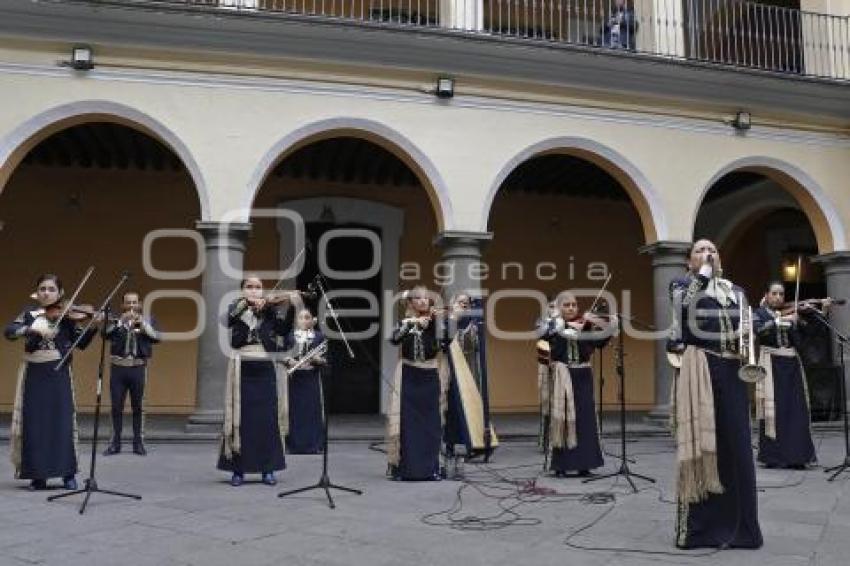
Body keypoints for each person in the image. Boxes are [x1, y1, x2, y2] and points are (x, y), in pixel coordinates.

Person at [668, 239, 763, 549]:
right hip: (702, 367)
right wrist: (703, 276)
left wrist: (756, 328)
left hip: (733, 371)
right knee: (702, 443)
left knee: (737, 445)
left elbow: (747, 326)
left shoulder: (735, 292)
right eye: (700, 250)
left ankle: (742, 530)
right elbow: (682, 312)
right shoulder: (682, 285)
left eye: (712, 249)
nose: (708, 253)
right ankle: (701, 530)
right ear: (689, 261)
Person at [4, 274, 98, 490]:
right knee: (35, 424)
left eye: (51, 289)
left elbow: (81, 343)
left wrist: (93, 325)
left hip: (58, 373)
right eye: (42, 289)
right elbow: (9, 332)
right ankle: (39, 476)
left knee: (62, 422)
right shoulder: (29, 314)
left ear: (60, 293)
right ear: (37, 292)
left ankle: (68, 474)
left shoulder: (67, 317)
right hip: (33, 374)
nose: (46, 292)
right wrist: (29, 329)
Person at [218, 276, 293, 486]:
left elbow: (283, 330)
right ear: (242, 290)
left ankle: (268, 469)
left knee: (267, 419)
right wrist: (246, 305)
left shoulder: (270, 310)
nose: (254, 290)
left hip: (265, 367)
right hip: (242, 365)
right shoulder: (236, 308)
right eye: (249, 287)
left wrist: (292, 307)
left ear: (263, 290)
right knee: (240, 417)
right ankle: (238, 469)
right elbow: (226, 320)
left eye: (258, 287)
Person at [753, 282, 825, 469]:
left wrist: (818, 313)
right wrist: (779, 320)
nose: (778, 297)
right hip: (771, 365)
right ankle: (773, 456)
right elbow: (758, 330)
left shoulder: (794, 315)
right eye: (774, 293)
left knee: (796, 410)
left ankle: (797, 456)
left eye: (781, 294)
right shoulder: (758, 314)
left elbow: (809, 335)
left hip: (791, 364)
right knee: (775, 411)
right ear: (767, 295)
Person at [540, 292, 611, 477]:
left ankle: (585, 464)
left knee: (585, 420)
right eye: (567, 305)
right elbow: (544, 338)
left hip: (583, 375)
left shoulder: (584, 326)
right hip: (563, 375)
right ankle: (561, 465)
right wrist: (560, 324)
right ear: (560, 307)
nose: (571, 308)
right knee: (562, 420)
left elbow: (601, 342)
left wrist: (603, 320)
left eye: (574, 305)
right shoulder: (552, 325)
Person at [386, 286, 448, 481]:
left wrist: (442, 323)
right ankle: (405, 469)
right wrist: (413, 323)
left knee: (430, 423)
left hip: (429, 375)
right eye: (418, 299)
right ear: (411, 303)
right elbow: (394, 339)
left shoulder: (436, 321)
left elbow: (445, 344)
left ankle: (431, 469)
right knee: (407, 422)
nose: (423, 301)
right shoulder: (405, 322)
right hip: (408, 375)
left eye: (426, 298)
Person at [443, 293, 498, 472]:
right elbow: (444, 342)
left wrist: (475, 327)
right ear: (452, 305)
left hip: (469, 369)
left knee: (472, 406)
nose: (465, 305)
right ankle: (450, 445)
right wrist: (453, 319)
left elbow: (475, 345)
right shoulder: (446, 322)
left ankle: (474, 444)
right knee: (452, 408)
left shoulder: (473, 323)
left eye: (467, 303)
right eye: (461, 302)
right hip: (451, 370)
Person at [103, 291, 160, 456]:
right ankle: (115, 443)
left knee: (138, 407)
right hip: (118, 369)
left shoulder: (148, 320)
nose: (131, 306)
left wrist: (142, 325)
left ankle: (138, 443)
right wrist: (121, 322)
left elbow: (156, 337)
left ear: (139, 304)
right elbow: (104, 334)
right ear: (122, 305)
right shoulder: (115, 320)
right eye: (128, 303)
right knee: (116, 407)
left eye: (134, 303)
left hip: (138, 368)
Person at [284, 308, 327, 455]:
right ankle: (294, 445)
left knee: (312, 411)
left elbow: (325, 359)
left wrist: (317, 359)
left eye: (307, 317)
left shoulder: (319, 336)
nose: (304, 320)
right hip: (295, 378)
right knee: (295, 411)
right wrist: (289, 361)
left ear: (312, 320)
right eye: (301, 317)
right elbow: (283, 353)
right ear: (297, 320)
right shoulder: (290, 336)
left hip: (311, 377)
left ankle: (314, 445)